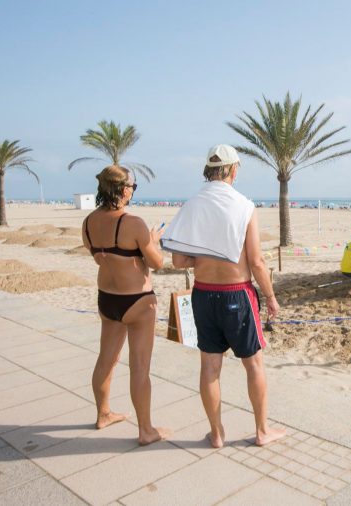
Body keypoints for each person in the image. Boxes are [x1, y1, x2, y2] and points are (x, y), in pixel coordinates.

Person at [167, 144, 285, 448]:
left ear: (209, 170)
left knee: (209, 367)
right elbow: (256, 261)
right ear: (233, 170)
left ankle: (217, 433)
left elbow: (178, 261)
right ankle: (262, 431)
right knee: (254, 364)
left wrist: (204, 257)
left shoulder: (192, 205)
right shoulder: (244, 206)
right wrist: (270, 296)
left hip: (203, 293)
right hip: (237, 294)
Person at [81, 165, 168, 445]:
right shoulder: (133, 223)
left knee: (106, 359)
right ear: (123, 189)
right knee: (139, 367)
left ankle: (103, 414)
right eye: (132, 186)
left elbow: (99, 256)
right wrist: (153, 241)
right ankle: (146, 430)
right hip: (137, 300)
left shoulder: (88, 222)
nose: (133, 191)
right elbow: (157, 263)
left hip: (107, 298)